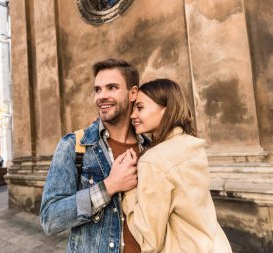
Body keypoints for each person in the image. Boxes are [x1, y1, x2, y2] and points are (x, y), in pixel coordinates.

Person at [40, 58, 150, 252]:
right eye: (97, 90)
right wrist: (109, 186)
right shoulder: (74, 145)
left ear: (133, 93)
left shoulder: (150, 149)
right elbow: (50, 219)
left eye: (112, 87)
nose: (101, 96)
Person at [120, 79, 232, 252]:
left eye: (140, 108)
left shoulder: (154, 160)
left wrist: (128, 191)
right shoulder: (192, 144)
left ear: (166, 109)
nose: (133, 115)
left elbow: (148, 240)